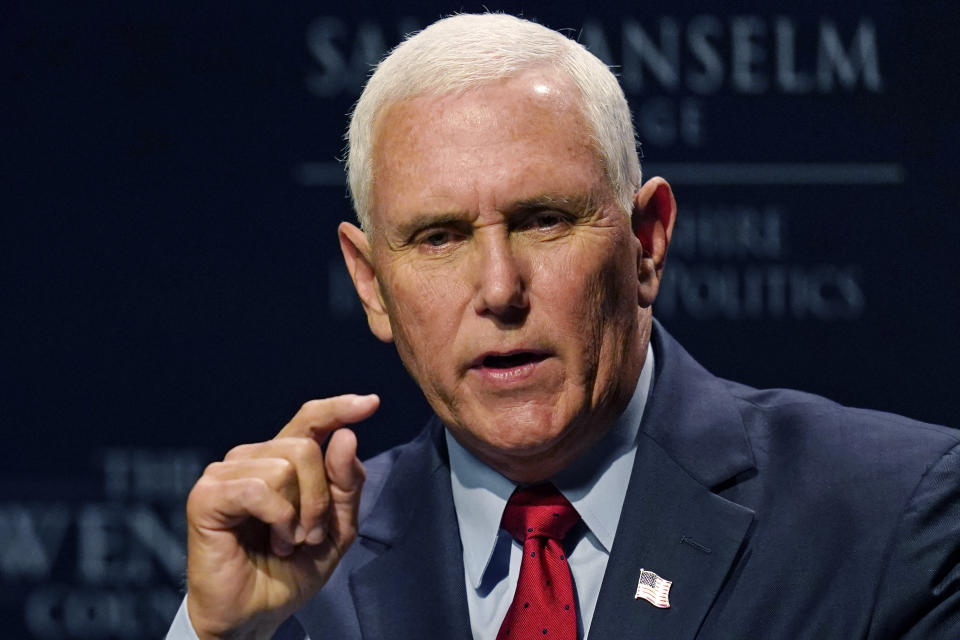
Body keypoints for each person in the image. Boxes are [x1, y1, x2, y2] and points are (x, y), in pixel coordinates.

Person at [167, 13, 960, 640]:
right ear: (372, 284)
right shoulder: (298, 578)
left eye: (544, 220)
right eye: (438, 238)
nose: (500, 290)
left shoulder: (889, 517)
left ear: (646, 242)